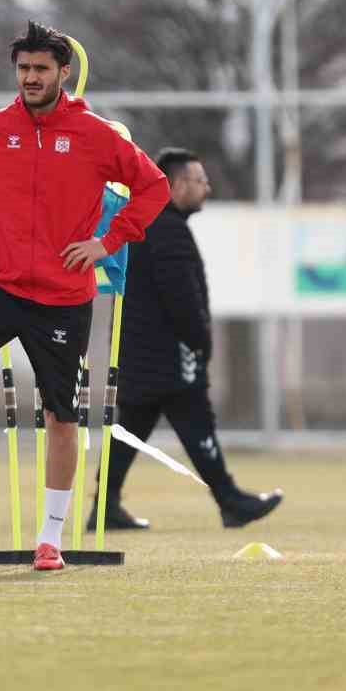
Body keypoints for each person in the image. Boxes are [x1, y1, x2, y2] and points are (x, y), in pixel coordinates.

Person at [0, 21, 170, 571]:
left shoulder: (95, 134)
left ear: (64, 73)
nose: (31, 78)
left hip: (63, 297)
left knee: (62, 419)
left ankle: (51, 540)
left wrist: (107, 242)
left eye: (41, 69)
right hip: (3, 283)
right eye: (23, 69)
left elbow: (153, 187)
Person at [88, 148, 282, 533]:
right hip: (167, 354)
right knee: (195, 422)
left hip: (136, 350)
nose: (206, 187)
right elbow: (182, 296)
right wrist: (200, 340)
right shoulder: (168, 229)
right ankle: (230, 500)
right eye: (200, 181)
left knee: (132, 429)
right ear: (176, 186)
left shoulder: (144, 223)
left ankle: (105, 506)